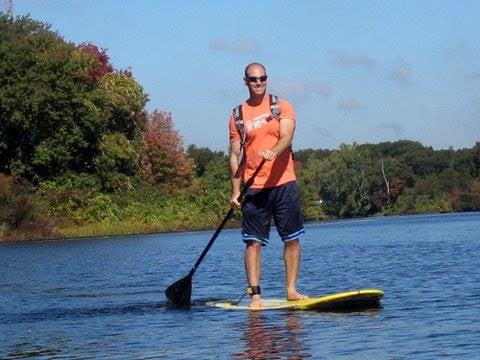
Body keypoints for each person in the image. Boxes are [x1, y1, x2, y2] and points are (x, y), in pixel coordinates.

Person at [228, 62, 308, 309]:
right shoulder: (238, 116)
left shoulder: (281, 106)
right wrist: (235, 190)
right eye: (254, 79)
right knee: (253, 242)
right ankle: (255, 295)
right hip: (255, 188)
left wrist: (274, 151)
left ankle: (291, 290)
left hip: (284, 183)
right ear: (246, 82)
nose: (259, 83)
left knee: (292, 239)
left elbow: (287, 136)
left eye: (262, 78)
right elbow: (234, 156)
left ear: (267, 79)